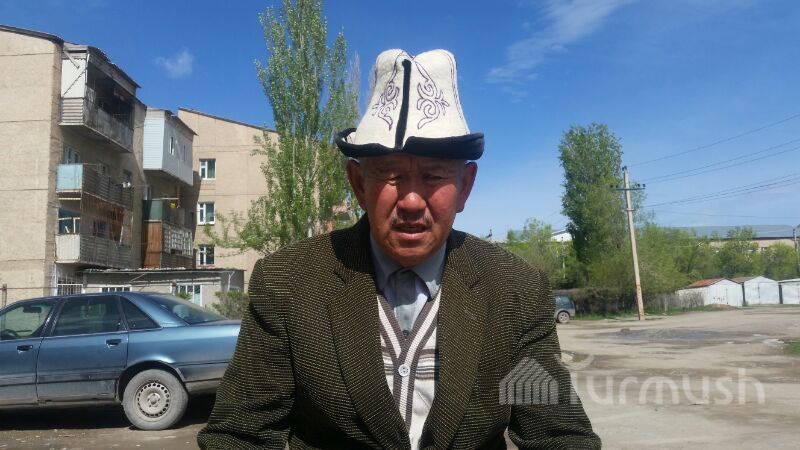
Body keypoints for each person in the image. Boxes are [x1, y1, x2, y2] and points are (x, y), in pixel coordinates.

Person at [197, 49, 600, 449]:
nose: (410, 201)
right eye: (391, 175)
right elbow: (240, 436)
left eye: (433, 176)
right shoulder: (288, 283)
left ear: (465, 187)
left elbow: (556, 435)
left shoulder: (514, 289)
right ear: (359, 184)